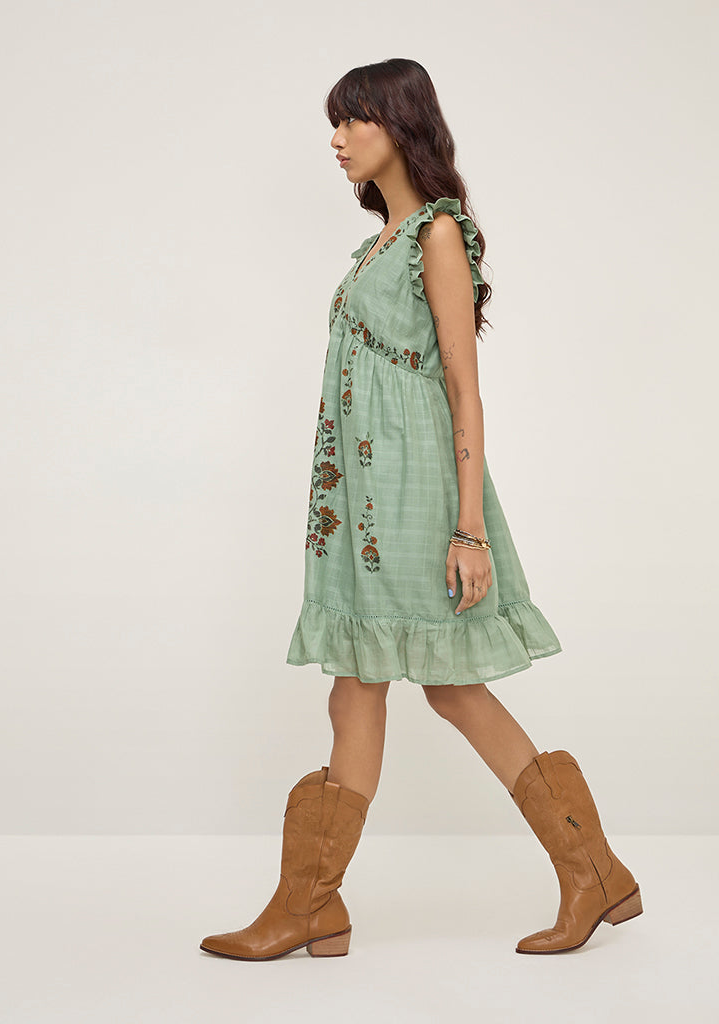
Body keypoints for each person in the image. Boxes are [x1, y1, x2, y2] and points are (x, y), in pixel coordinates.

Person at [200, 58, 642, 961]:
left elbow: (463, 389)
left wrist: (468, 528)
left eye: (352, 120)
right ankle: (316, 905)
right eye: (334, 123)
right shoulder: (379, 242)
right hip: (358, 503)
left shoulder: (438, 233)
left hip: (415, 497)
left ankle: (586, 871)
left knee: (444, 685)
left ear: (399, 126)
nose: (336, 139)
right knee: (359, 686)